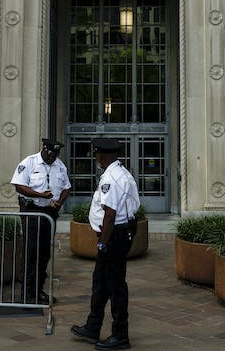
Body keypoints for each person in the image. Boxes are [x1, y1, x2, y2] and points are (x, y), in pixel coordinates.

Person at [71, 137, 140, 350]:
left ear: (102, 155)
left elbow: (110, 214)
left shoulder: (112, 177)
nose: (95, 158)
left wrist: (103, 243)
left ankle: (120, 335)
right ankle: (93, 327)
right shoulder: (119, 173)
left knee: (115, 286)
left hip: (113, 237)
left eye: (96, 154)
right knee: (100, 283)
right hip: (116, 235)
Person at [10, 138, 71, 305]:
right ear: (44, 149)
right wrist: (41, 195)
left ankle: (38, 291)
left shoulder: (60, 166)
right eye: (50, 155)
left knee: (44, 254)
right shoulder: (29, 163)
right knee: (31, 253)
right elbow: (19, 186)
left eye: (54, 156)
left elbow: (67, 187)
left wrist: (60, 203)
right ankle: (26, 294)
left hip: (50, 212)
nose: (51, 158)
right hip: (32, 211)